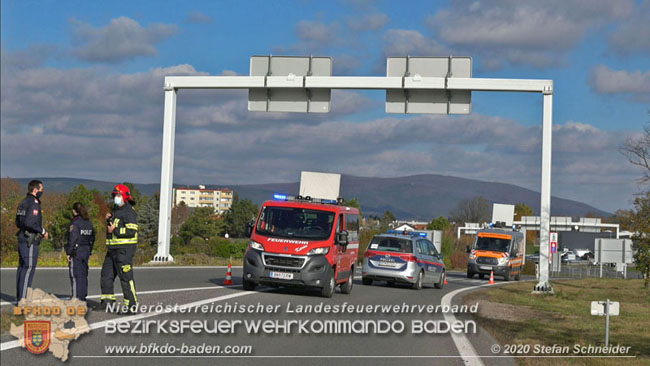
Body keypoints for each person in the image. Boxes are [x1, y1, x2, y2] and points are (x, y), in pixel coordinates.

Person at [98, 184, 139, 313]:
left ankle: (131, 305)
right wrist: (109, 220)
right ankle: (107, 302)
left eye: (118, 195)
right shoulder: (116, 211)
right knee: (106, 276)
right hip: (112, 250)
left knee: (126, 278)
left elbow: (132, 230)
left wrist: (115, 230)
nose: (116, 198)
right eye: (115, 195)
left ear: (125, 197)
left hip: (124, 250)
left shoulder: (129, 212)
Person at [15, 180, 49, 302]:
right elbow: (31, 222)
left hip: (22, 238)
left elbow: (18, 222)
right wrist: (43, 231)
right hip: (29, 240)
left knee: (22, 268)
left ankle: (20, 297)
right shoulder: (33, 203)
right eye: (41, 189)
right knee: (28, 269)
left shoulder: (23, 202)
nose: (42, 191)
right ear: (35, 190)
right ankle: (23, 300)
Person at [66, 202, 95, 301]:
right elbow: (92, 238)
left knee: (75, 275)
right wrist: (89, 250)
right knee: (83, 275)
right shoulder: (89, 222)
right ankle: (82, 297)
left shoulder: (75, 223)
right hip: (86, 250)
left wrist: (69, 252)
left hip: (77, 252)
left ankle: (76, 298)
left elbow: (73, 238)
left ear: (74, 211)